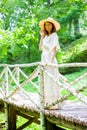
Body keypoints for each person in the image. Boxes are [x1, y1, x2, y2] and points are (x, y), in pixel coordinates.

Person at [39, 17, 63, 109]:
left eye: (49, 25)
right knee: (45, 80)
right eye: (46, 25)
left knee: (52, 80)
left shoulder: (54, 36)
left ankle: (54, 103)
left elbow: (54, 48)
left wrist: (51, 60)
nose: (47, 26)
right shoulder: (46, 37)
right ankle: (47, 102)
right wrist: (42, 36)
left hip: (50, 59)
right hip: (43, 58)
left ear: (52, 26)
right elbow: (40, 47)